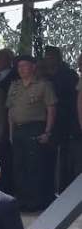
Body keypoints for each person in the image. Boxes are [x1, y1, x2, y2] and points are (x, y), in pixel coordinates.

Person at [6, 54, 57, 212]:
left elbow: (51, 108)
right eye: (19, 66)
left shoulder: (43, 85)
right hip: (18, 130)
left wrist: (47, 131)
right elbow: (10, 111)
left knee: (34, 166)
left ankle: (36, 202)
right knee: (19, 166)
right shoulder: (14, 86)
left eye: (25, 66)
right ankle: (22, 201)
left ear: (33, 67)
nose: (21, 69)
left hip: (35, 127)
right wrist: (10, 133)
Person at [41, 46, 82, 190]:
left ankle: (66, 190)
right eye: (46, 56)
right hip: (47, 122)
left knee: (67, 159)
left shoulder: (69, 75)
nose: (47, 59)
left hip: (67, 122)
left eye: (51, 56)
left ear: (58, 57)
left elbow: (75, 100)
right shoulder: (43, 76)